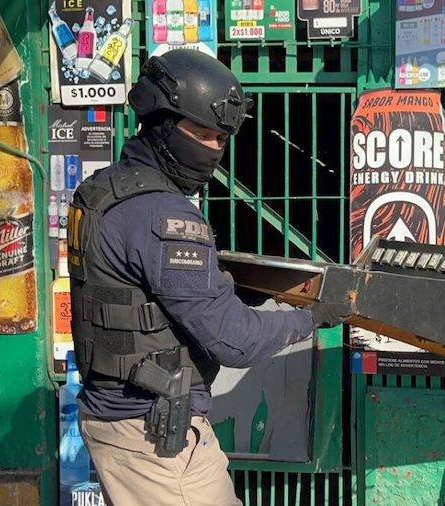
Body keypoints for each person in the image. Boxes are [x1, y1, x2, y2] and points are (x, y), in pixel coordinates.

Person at [67, 49, 350, 505]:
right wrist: (313, 317)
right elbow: (236, 341)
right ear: (160, 123)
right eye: (201, 134)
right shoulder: (164, 215)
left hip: (118, 421)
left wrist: (235, 289)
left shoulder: (101, 191)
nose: (212, 150)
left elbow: (141, 295)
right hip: (154, 439)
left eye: (221, 138)